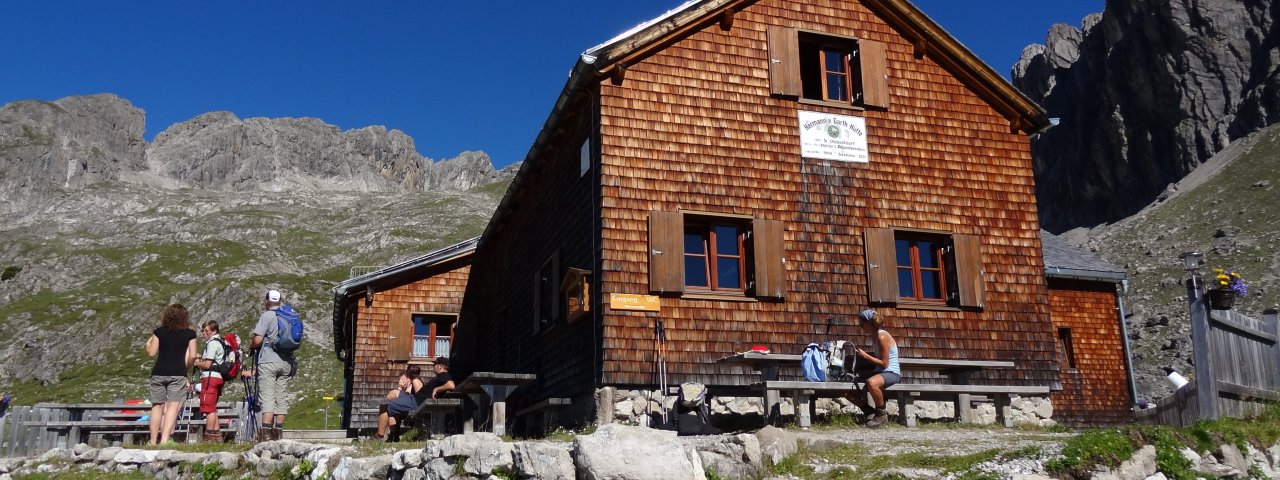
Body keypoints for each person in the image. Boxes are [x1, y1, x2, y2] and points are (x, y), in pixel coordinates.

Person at [145, 303, 198, 445]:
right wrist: (185, 368)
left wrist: (147, 343)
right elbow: (193, 356)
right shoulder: (190, 334)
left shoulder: (159, 332)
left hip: (159, 372)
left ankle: (152, 441)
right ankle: (164, 440)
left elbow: (151, 353)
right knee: (173, 407)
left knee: (157, 406)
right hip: (178, 373)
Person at [251, 289, 297, 441]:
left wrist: (251, 345)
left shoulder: (268, 315)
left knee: (268, 397)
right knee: (281, 397)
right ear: (279, 301)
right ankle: (278, 432)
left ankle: (266, 434)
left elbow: (257, 340)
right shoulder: (288, 314)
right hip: (285, 362)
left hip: (268, 361)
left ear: (267, 301)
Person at [374, 358, 455, 441]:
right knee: (393, 394)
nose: (434, 366)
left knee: (385, 406)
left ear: (440, 366)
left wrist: (436, 389)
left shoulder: (444, 375)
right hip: (414, 399)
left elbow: (451, 385)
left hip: (416, 402)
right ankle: (384, 402)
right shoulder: (440, 377)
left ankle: (379, 436)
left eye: (435, 364)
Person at [848, 309, 899, 428]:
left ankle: (881, 414)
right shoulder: (875, 336)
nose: (861, 327)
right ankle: (868, 411)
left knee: (872, 383)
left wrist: (865, 356)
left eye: (862, 324)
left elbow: (884, 363)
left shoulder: (882, 336)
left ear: (869, 323)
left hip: (891, 372)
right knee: (845, 385)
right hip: (879, 372)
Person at [192, 320, 227, 442]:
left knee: (209, 408)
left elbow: (207, 364)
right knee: (213, 406)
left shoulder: (212, 343)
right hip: (218, 377)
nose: (204, 333)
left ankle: (209, 436)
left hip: (210, 377)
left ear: (214, 331)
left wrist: (197, 362)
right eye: (203, 330)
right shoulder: (220, 342)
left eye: (206, 331)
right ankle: (217, 436)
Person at [372, 365, 423, 440]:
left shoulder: (415, 382)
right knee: (391, 408)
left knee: (394, 394)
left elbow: (413, 396)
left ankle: (385, 400)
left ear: (408, 378)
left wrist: (400, 388)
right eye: (400, 379)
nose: (401, 381)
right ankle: (393, 435)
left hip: (411, 407)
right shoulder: (415, 381)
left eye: (403, 379)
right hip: (407, 406)